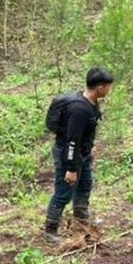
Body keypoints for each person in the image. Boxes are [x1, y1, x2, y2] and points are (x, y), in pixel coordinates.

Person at [44, 67, 114, 242]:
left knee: (85, 184)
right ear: (100, 87)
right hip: (69, 154)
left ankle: (81, 219)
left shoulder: (90, 103)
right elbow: (72, 141)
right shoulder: (80, 110)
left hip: (82, 153)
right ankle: (50, 229)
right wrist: (71, 168)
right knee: (64, 191)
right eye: (108, 86)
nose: (109, 90)